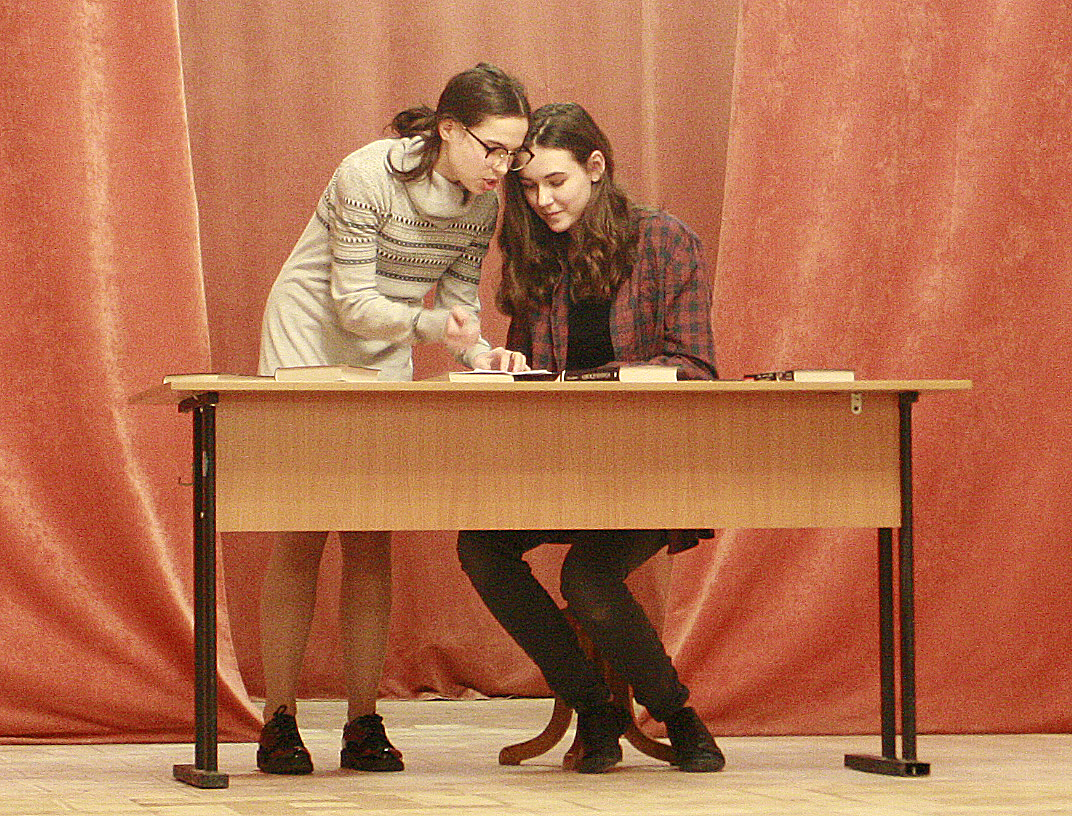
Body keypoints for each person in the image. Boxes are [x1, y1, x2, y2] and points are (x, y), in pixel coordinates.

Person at [254, 63, 531, 776]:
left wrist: (484, 356)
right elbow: (352, 305)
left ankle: (362, 720)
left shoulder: (482, 205)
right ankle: (278, 720)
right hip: (311, 338)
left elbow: (460, 312)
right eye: (492, 149)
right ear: (449, 130)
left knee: (371, 533)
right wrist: (438, 328)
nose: (502, 168)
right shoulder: (366, 174)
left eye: (514, 153)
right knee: (303, 528)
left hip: (391, 338)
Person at [457, 102, 725, 774]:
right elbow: (532, 377)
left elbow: (696, 369)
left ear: (597, 167)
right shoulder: (535, 251)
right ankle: (595, 708)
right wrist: (505, 367)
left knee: (588, 578)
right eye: (529, 187)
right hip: (564, 465)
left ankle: (676, 714)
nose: (542, 201)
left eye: (557, 182)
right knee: (481, 548)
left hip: (651, 468)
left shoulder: (664, 241)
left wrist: (593, 379)